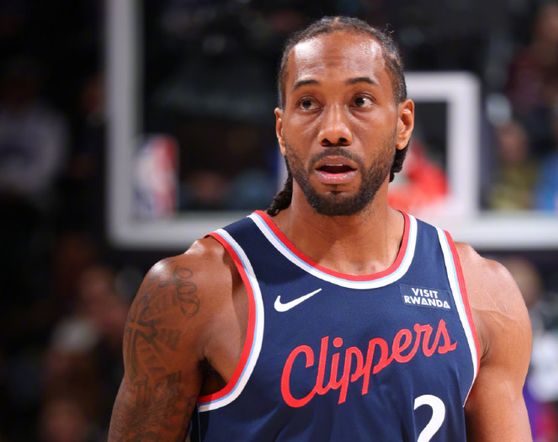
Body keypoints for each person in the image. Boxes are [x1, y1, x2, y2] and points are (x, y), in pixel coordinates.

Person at [109, 16, 532, 441]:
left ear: (403, 124)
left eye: (360, 101)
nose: (333, 131)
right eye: (308, 103)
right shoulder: (195, 289)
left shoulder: (481, 293)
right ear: (281, 129)